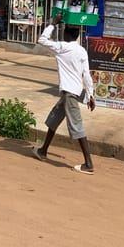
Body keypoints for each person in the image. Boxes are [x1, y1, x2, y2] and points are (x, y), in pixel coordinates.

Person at [33, 11, 96, 174]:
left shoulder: (62, 47)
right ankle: (43, 151)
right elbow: (87, 75)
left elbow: (42, 40)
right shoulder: (82, 51)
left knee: (76, 125)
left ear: (66, 34)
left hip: (69, 94)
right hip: (72, 92)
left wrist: (53, 24)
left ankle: (88, 164)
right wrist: (90, 95)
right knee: (54, 119)